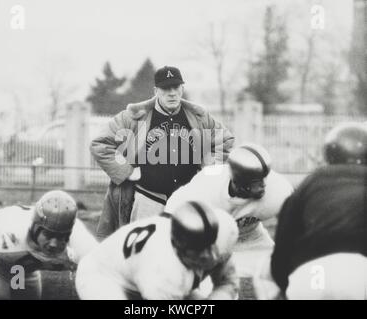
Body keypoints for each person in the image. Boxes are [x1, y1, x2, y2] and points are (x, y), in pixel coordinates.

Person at [91, 66, 234, 240]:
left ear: (182, 88)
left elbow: (225, 140)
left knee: (186, 253)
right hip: (147, 199)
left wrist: (207, 170)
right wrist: (126, 170)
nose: (172, 93)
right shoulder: (134, 117)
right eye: (166, 88)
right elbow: (100, 144)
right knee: (142, 252)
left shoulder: (198, 117)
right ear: (156, 91)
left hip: (187, 201)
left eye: (176, 87)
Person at [254, 122, 367, 300]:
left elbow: (284, 243)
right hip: (361, 276)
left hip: (310, 276)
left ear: (329, 154)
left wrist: (286, 289)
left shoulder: (311, 182)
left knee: (264, 268)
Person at [165, 143, 293, 278]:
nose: (263, 185)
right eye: (256, 181)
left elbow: (295, 229)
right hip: (214, 240)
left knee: (283, 269)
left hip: (252, 237)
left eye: (264, 178)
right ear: (237, 182)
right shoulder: (207, 183)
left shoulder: (279, 189)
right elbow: (172, 212)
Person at [75, 200, 239, 300]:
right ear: (179, 246)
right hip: (102, 276)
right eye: (198, 251)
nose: (207, 256)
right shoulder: (164, 268)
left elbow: (228, 283)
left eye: (210, 247)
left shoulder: (221, 234)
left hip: (143, 276)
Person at [0, 190, 98, 299]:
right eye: (48, 235)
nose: (54, 244)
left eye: (61, 236)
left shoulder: (82, 245)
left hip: (22, 269)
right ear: (34, 228)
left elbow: (105, 273)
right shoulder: (4, 235)